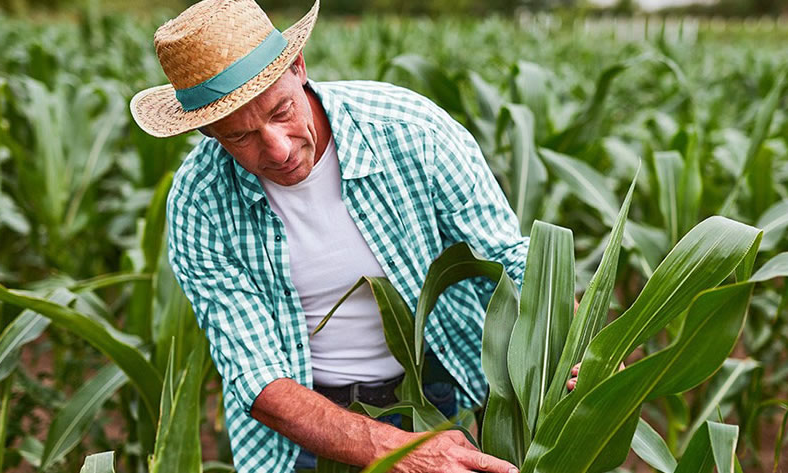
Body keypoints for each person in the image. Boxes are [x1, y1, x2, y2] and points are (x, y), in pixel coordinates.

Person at [130, 1, 576, 472]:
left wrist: (577, 340)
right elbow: (257, 375)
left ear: (298, 67)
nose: (278, 150)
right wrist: (401, 455)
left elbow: (510, 257)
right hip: (301, 429)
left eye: (281, 111)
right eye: (240, 137)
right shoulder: (199, 203)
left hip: (430, 398)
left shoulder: (410, 131)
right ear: (206, 131)